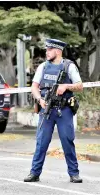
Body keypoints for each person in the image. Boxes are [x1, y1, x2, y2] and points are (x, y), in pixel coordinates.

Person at [24, 38, 83, 183]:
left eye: (49, 50)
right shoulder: (43, 67)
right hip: (46, 109)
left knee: (67, 141)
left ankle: (74, 173)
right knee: (41, 142)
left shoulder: (69, 66)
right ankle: (34, 172)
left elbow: (79, 85)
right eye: (46, 49)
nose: (46, 52)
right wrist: (39, 99)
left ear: (57, 51)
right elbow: (34, 87)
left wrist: (66, 87)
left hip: (64, 111)